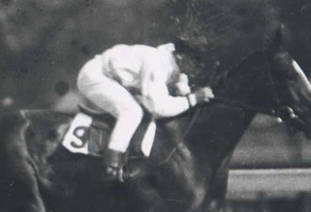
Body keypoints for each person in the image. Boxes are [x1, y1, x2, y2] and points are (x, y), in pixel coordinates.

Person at [76, 40, 214, 181]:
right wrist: (193, 99)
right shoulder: (156, 65)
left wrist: (189, 95)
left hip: (113, 77)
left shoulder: (174, 63)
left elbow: (181, 84)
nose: (200, 66)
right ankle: (113, 160)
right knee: (132, 112)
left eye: (202, 61)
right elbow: (158, 108)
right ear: (180, 56)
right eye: (196, 60)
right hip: (95, 77)